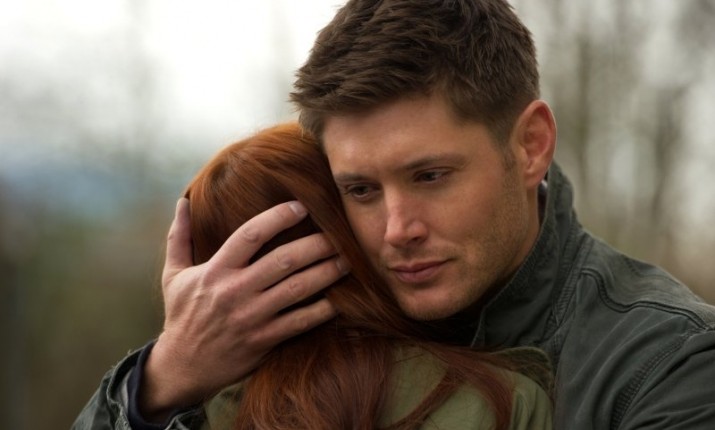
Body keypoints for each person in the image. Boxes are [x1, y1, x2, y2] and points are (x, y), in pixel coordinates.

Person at [74, 0, 715, 429]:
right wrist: (160, 382)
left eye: (430, 176)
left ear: (530, 146)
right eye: (360, 190)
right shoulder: (255, 343)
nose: (396, 230)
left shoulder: (669, 362)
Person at [75, 123, 554, 430]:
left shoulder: (191, 417)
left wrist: (159, 380)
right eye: (361, 192)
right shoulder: (505, 401)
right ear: (340, 226)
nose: (396, 228)